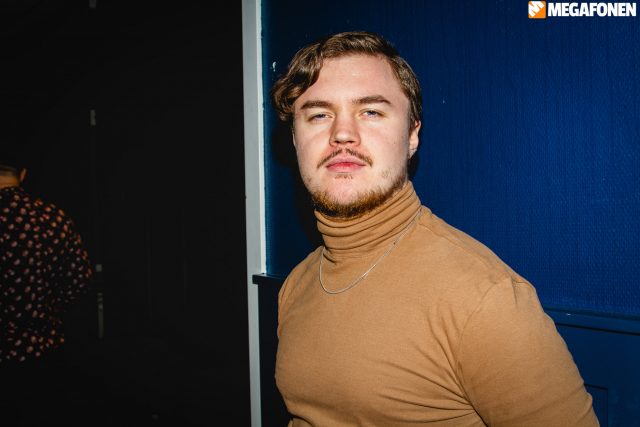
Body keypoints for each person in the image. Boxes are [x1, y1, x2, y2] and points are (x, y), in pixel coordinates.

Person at [270, 31, 599, 426]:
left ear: (412, 136)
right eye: (319, 115)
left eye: (371, 111)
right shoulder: (298, 284)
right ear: (295, 139)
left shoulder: (484, 300)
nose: (342, 134)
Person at [0, 161, 93, 424]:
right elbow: (79, 279)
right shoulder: (53, 217)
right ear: (22, 173)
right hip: (40, 350)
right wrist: (46, 308)